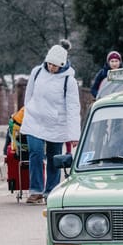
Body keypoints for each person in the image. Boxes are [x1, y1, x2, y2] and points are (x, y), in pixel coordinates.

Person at [19, 40, 81, 204]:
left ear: (63, 64)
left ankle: (50, 191)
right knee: (35, 152)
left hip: (56, 123)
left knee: (54, 158)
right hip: (35, 119)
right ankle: (36, 190)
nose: (52, 68)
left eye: (55, 65)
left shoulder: (69, 81)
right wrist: (27, 113)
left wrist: (74, 135)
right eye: (50, 64)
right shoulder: (37, 72)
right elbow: (29, 95)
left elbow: (73, 108)